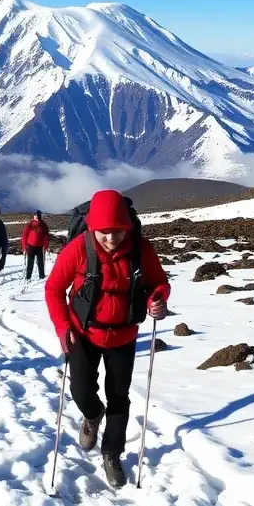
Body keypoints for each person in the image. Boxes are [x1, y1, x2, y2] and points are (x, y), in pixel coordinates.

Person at [44, 189, 170, 488]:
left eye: (119, 232)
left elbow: (159, 283)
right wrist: (64, 328)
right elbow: (53, 289)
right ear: (93, 227)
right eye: (105, 232)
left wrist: (157, 300)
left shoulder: (141, 249)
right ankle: (92, 414)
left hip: (124, 336)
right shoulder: (77, 249)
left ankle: (112, 453)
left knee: (119, 397)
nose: (112, 239)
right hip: (82, 334)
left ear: (128, 227)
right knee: (81, 390)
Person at [21, 210, 50, 281]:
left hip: (40, 247)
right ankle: (28, 277)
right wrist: (24, 246)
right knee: (30, 262)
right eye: (35, 215)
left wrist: (46, 245)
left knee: (40, 262)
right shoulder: (30, 224)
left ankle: (42, 276)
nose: (37, 217)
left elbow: (46, 236)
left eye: (38, 215)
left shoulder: (43, 225)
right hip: (30, 246)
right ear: (33, 216)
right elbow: (25, 235)